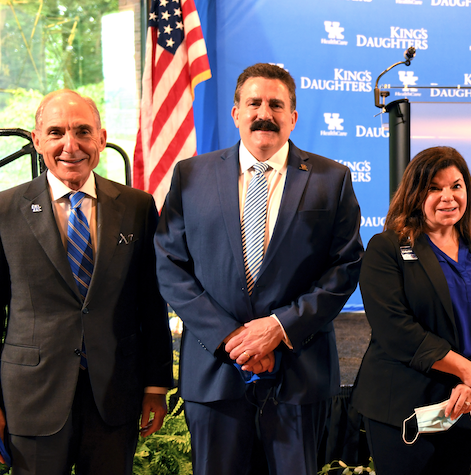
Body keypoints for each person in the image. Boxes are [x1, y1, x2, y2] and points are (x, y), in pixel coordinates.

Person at [154, 63, 364, 475]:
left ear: (292, 116)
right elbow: (170, 264)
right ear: (235, 112)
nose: (263, 113)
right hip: (215, 373)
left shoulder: (330, 179)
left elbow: (346, 266)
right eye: (253, 103)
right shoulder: (191, 175)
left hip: (299, 374)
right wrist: (232, 338)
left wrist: (278, 329)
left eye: (275, 104)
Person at [0, 89, 173, 474]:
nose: (70, 145)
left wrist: (156, 386)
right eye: (57, 132)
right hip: (32, 401)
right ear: (37, 139)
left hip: (115, 397)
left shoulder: (137, 207)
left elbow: (151, 303)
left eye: (82, 132)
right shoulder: (0, 210)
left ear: (102, 139)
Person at [352, 146, 471, 475]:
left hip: (464, 404)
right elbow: (396, 329)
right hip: (404, 409)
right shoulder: (387, 248)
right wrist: (465, 369)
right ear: (414, 194)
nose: (447, 197)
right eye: (434, 188)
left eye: (456, 185)